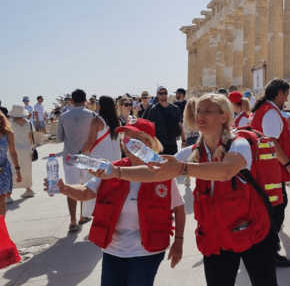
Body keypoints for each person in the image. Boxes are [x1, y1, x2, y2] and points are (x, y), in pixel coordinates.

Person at [91, 94, 278, 286]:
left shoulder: (239, 143)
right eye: (198, 111)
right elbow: (156, 172)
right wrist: (116, 172)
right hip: (217, 238)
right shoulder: (193, 151)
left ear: (224, 117)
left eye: (208, 111)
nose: (200, 115)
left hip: (252, 231)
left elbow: (226, 171)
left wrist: (183, 168)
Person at [44, 119, 185, 286]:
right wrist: (64, 188)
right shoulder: (111, 169)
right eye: (125, 139)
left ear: (149, 142)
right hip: (113, 251)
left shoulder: (163, 172)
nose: (128, 144)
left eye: (135, 140)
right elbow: (87, 192)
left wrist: (179, 241)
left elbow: (179, 209)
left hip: (147, 252)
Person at [250, 78, 290, 267]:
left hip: (264, 169)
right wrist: (289, 165)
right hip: (270, 170)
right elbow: (272, 142)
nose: (286, 100)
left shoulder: (263, 110)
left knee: (272, 208)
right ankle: (269, 251)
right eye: (286, 95)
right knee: (276, 209)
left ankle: (266, 248)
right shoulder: (271, 113)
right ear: (279, 93)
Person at [56, 89, 95, 232]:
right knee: (88, 186)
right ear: (85, 101)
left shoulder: (63, 117)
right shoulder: (92, 115)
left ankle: (73, 220)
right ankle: (83, 216)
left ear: (71, 101)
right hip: (87, 157)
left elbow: (59, 138)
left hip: (69, 158)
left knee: (70, 189)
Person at [81, 96, 121, 218]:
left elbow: (91, 141)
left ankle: (97, 215)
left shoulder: (97, 121)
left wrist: (81, 153)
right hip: (115, 159)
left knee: (95, 186)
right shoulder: (116, 121)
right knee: (113, 187)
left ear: (102, 106)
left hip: (99, 159)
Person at [7, 105, 35, 201]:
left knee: (13, 170)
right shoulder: (29, 123)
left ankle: (8, 195)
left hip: (14, 148)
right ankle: (28, 189)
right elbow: (30, 137)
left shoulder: (9, 124)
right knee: (26, 169)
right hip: (27, 148)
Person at [148, 86, 185, 155]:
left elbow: (180, 125)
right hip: (159, 145)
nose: (163, 95)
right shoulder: (153, 110)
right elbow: (152, 128)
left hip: (173, 143)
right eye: (161, 93)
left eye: (165, 93)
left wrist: (183, 140)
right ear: (157, 95)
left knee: (173, 165)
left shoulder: (175, 108)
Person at [0, 111, 22, 216]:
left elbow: (13, 152)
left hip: (3, 170)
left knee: (1, 201)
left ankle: (1, 228)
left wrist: (18, 170)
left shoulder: (9, 134)